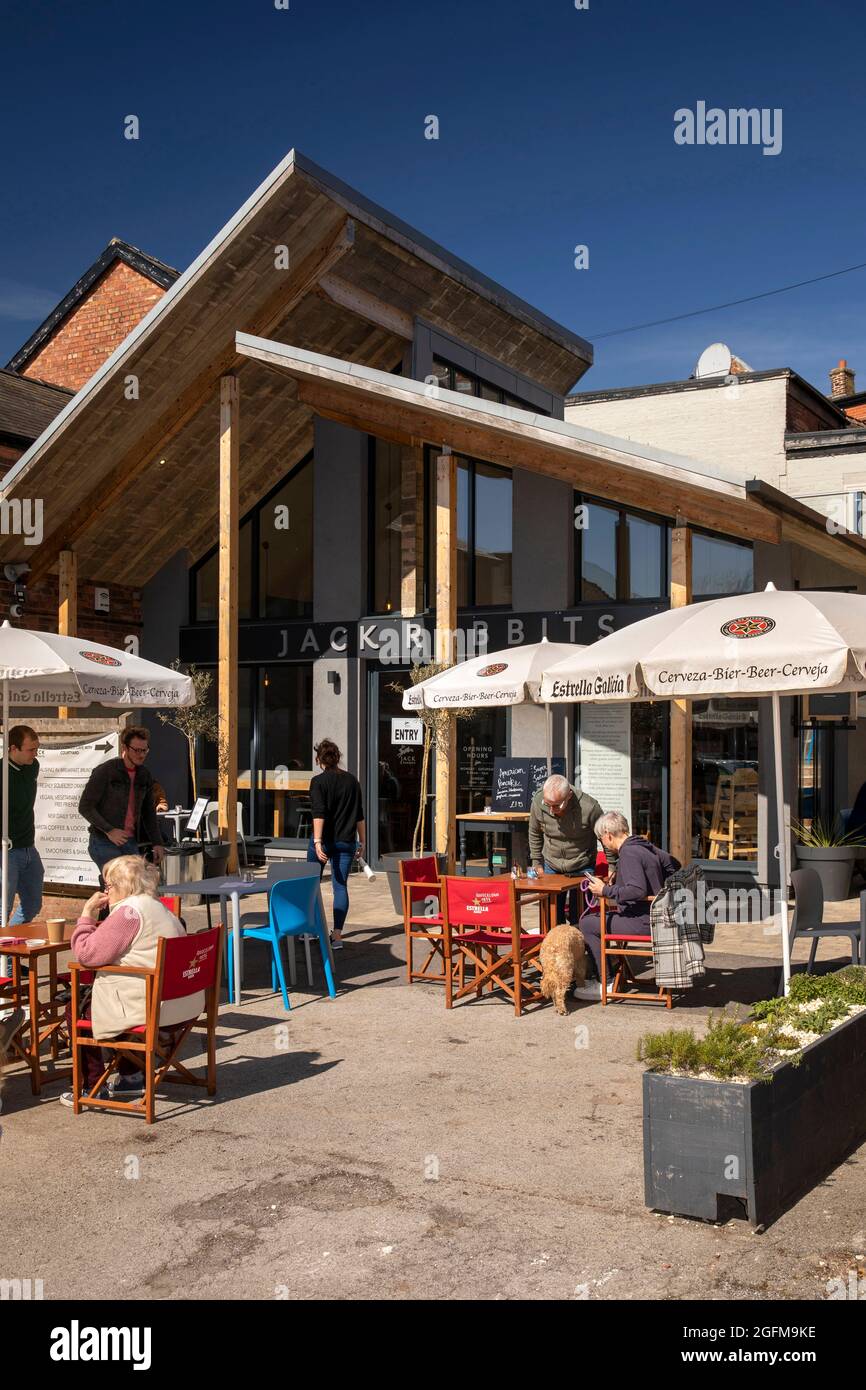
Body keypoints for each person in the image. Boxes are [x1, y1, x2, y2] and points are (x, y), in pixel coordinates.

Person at [60, 854, 199, 1107]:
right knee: (120, 994)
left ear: (123, 885)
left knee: (77, 1009)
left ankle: (91, 1086)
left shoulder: (129, 914)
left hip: (150, 1009)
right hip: (181, 1006)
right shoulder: (160, 908)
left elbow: (86, 954)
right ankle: (131, 1074)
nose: (106, 891)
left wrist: (87, 914)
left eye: (108, 886)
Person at [576, 811, 680, 999]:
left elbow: (637, 890)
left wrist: (605, 890)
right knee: (595, 920)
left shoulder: (629, 853)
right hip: (657, 916)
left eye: (601, 840)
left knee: (588, 924)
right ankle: (611, 971)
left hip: (644, 921)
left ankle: (606, 982)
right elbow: (674, 866)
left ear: (608, 835)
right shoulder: (645, 846)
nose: (603, 845)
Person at [78, 726, 165, 884]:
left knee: (136, 884)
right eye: (137, 750)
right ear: (124, 748)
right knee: (120, 882)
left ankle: (107, 901)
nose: (141, 755)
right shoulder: (106, 771)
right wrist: (109, 830)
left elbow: (148, 812)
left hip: (129, 840)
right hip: (103, 840)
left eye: (144, 750)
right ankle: (106, 898)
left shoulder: (144, 774)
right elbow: (85, 806)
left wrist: (157, 842)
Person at [307, 738, 365, 949]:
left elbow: (319, 814)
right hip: (346, 841)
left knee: (310, 884)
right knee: (340, 887)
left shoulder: (318, 782)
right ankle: (337, 936)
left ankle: (311, 930)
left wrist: (317, 841)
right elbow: (359, 814)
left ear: (319, 759)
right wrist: (363, 841)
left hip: (324, 841)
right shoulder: (352, 781)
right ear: (338, 758)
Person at [529, 773, 604, 925]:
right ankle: (554, 947)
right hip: (552, 864)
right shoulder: (538, 802)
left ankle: (580, 945)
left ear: (569, 795)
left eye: (556, 805)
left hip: (582, 864)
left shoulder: (590, 807)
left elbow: (604, 835)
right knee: (552, 917)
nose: (551, 810)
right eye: (547, 804)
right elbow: (534, 832)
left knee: (581, 917)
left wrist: (613, 865)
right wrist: (537, 862)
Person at [0, 725, 45, 925]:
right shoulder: (2, 773)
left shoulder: (33, 766)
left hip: (28, 846)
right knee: (3, 908)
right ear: (13, 748)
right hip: (7, 849)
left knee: (33, 904)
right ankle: (5, 954)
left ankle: (8, 952)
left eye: (37, 749)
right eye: (30, 749)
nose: (35, 754)